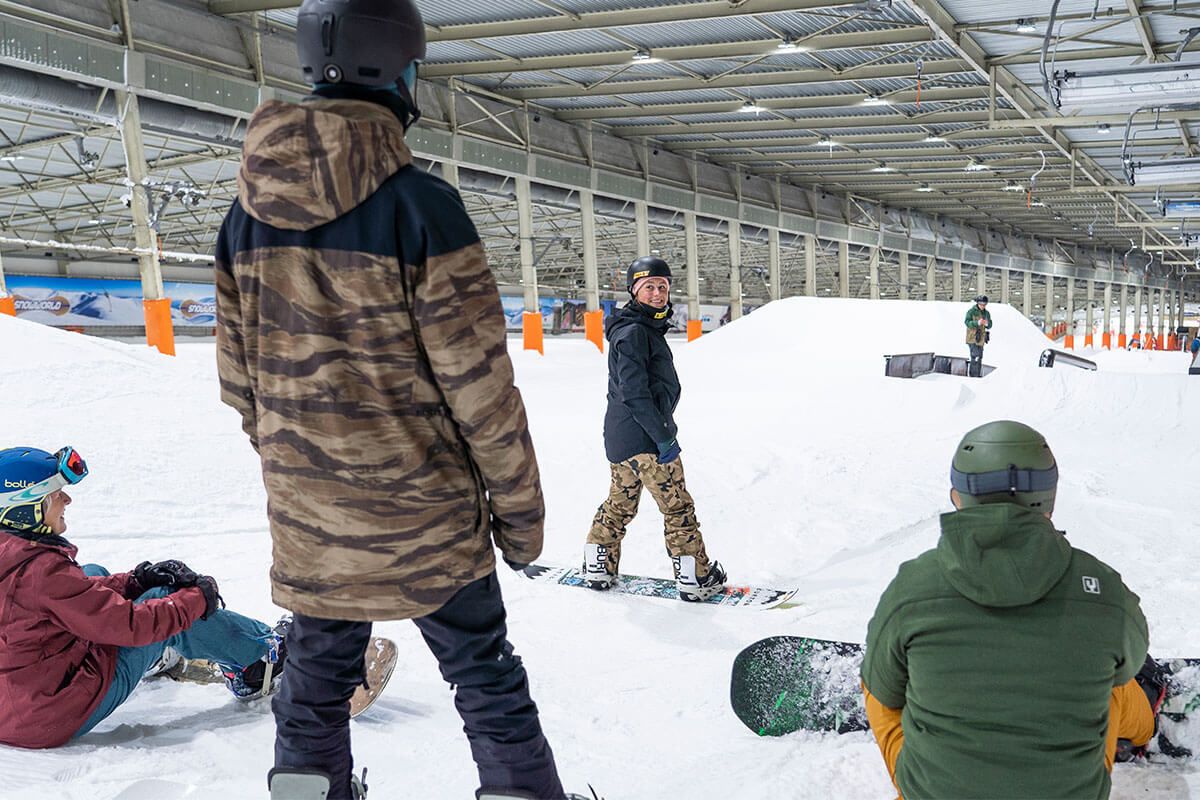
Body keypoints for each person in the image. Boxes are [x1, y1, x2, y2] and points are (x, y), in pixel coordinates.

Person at [214, 1, 571, 798]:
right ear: (403, 71)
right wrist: (520, 521)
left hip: (315, 532)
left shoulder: (245, 219)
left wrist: (312, 484)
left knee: (311, 690)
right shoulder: (422, 208)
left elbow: (241, 386)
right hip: (429, 526)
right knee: (484, 678)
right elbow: (481, 392)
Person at [860, 421, 1167, 800]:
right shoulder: (1105, 592)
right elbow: (1126, 666)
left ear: (958, 496)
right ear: (1048, 496)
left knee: (878, 685)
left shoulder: (912, 587)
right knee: (1112, 684)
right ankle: (1146, 723)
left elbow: (885, 692)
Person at [0, 446, 288, 750]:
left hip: (15, 702)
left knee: (91, 572)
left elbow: (65, 595)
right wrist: (198, 597)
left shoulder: (19, 559)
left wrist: (135, 580)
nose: (67, 500)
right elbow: (133, 624)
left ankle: (156, 656)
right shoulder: (42, 572)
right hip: (49, 715)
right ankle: (259, 662)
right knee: (167, 603)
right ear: (25, 508)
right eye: (57, 494)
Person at [582, 255, 727, 601]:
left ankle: (597, 564)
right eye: (650, 287)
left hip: (621, 438)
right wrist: (663, 436)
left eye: (663, 286)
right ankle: (696, 578)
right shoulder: (634, 333)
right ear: (634, 291)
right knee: (677, 508)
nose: (658, 293)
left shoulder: (638, 328)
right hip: (646, 438)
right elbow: (634, 391)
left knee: (620, 503)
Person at [964, 294, 991, 377]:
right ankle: (973, 376)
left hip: (981, 339)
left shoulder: (986, 313)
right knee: (975, 356)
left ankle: (976, 374)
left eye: (984, 304)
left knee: (979, 357)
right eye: (981, 304)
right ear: (978, 303)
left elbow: (990, 324)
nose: (983, 306)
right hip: (972, 338)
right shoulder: (971, 311)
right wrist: (977, 323)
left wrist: (987, 323)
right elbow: (967, 322)